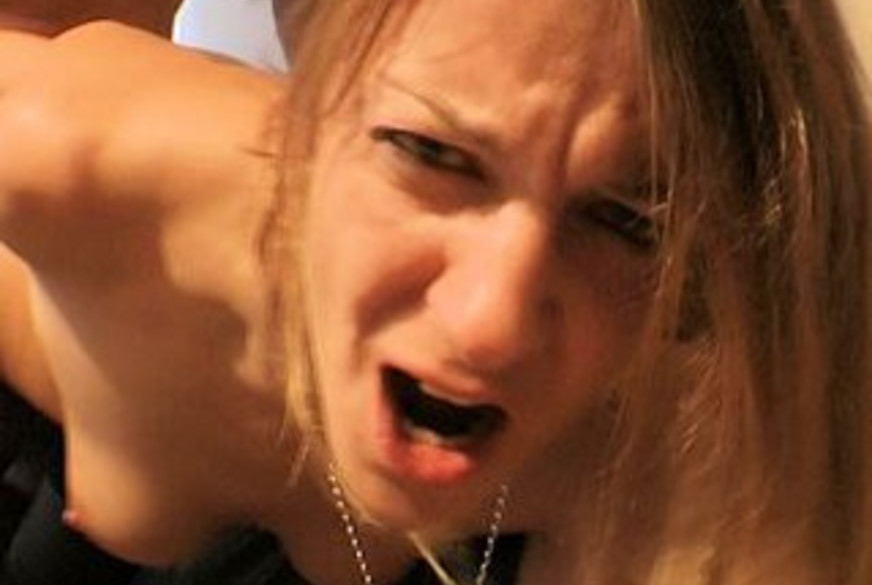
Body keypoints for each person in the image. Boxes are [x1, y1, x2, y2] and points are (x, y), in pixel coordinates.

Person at [0, 1, 870, 585]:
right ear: (311, 110)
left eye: (626, 220)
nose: (490, 325)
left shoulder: (736, 442)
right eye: (431, 155)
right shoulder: (87, 164)